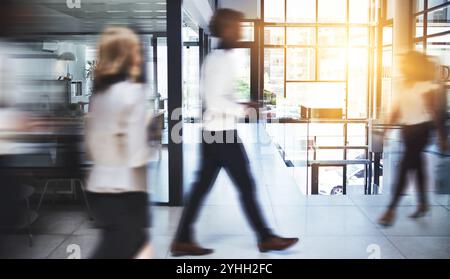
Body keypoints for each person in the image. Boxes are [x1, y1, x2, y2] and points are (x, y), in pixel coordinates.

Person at [171, 9, 299, 256]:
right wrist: (244, 109)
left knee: (205, 187)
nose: (241, 31)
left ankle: (182, 239)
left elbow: (220, 98)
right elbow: (214, 101)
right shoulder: (219, 60)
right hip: (220, 135)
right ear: (228, 29)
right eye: (239, 27)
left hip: (218, 134)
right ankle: (265, 237)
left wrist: (243, 104)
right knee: (243, 185)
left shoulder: (221, 58)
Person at [85, 27, 152, 258]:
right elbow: (136, 155)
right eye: (136, 51)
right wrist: (150, 143)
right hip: (124, 190)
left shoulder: (99, 95)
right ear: (124, 55)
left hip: (98, 187)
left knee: (139, 248)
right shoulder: (132, 93)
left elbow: (92, 146)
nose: (140, 57)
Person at [378, 51, 448, 227]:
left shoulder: (427, 86)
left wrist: (442, 137)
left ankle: (391, 209)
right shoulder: (403, 84)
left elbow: (436, 113)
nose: (401, 66)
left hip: (422, 130)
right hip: (407, 130)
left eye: (405, 63)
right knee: (416, 166)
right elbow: (396, 109)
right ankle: (423, 203)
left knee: (404, 166)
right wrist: (386, 129)